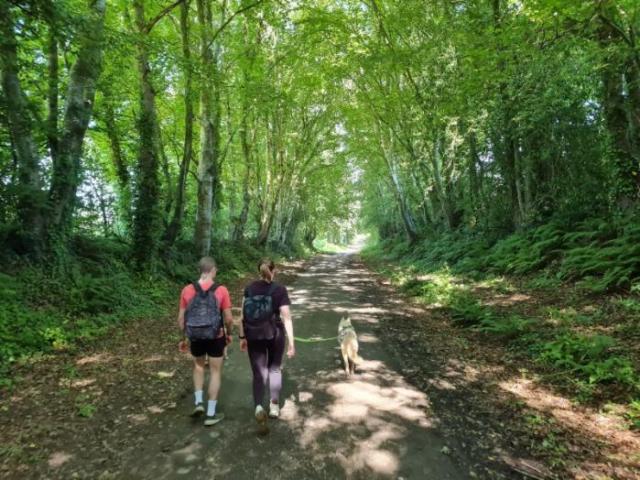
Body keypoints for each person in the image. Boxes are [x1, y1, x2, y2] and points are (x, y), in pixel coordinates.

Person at [178, 256, 233, 426]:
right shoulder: (221, 290)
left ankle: (198, 403)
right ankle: (210, 414)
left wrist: (184, 338)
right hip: (215, 336)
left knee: (198, 366)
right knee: (215, 372)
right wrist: (228, 334)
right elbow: (229, 318)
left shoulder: (187, 290)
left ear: (200, 270)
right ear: (213, 269)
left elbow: (181, 319)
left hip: (195, 336)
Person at [239, 258, 295, 426]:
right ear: (274, 270)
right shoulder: (280, 289)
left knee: (258, 373)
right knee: (275, 369)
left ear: (259, 271)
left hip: (253, 334)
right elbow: (287, 317)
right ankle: (274, 406)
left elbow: (242, 316)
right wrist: (292, 343)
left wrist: (242, 337)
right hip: (275, 334)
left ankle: (257, 407)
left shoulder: (249, 289)